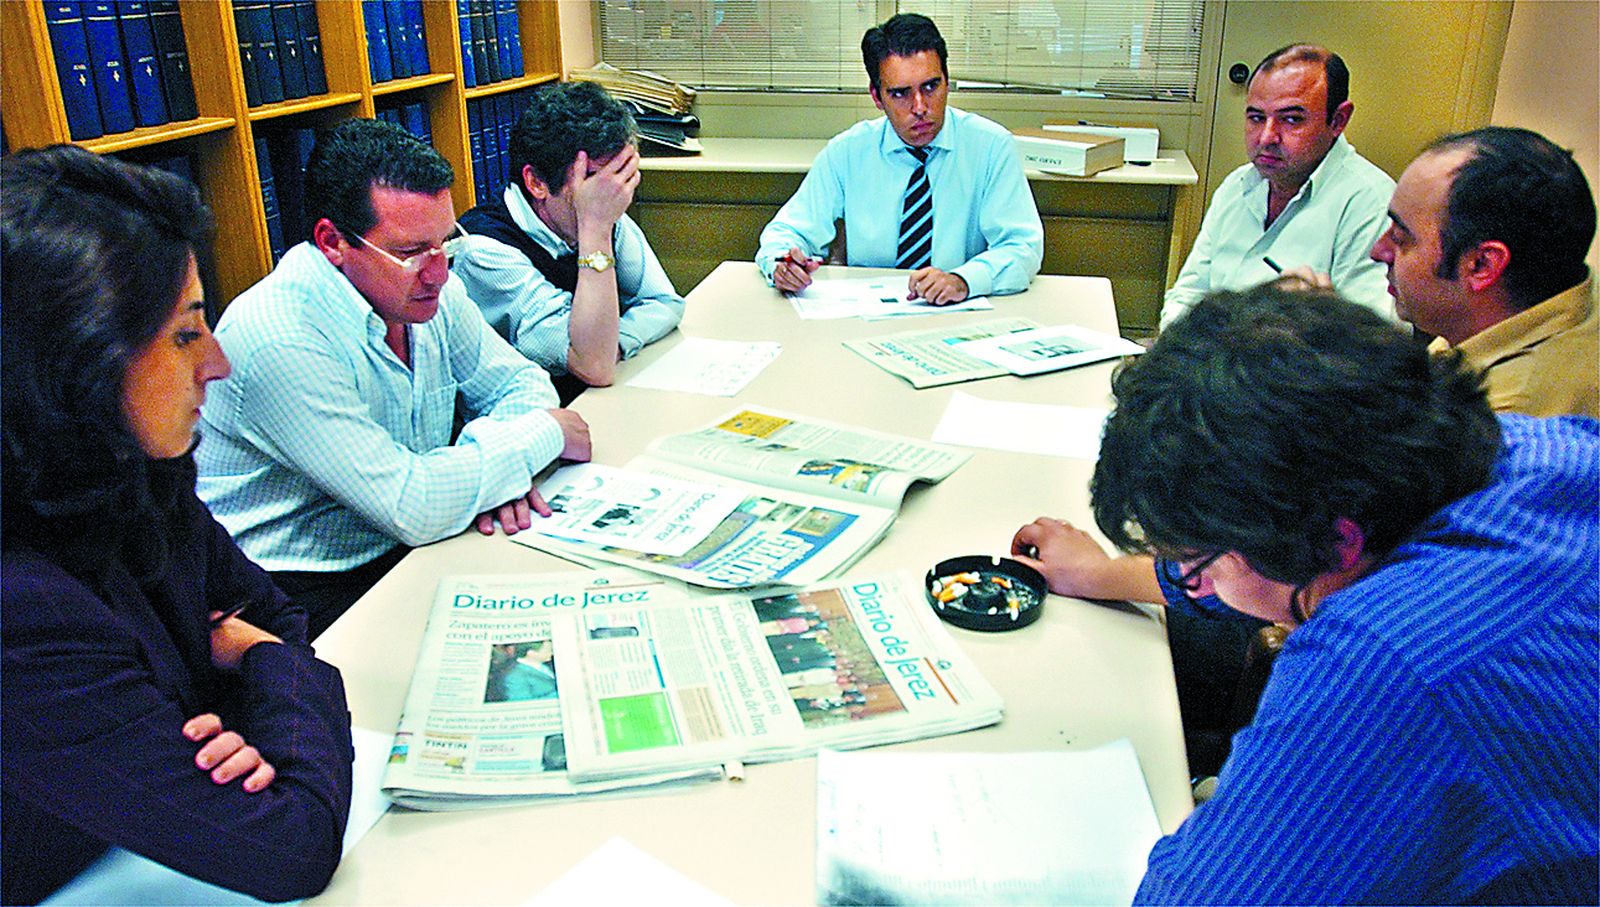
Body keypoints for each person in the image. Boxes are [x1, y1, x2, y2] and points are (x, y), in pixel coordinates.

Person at [1049, 284, 1596, 902]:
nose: (1193, 582)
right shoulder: (1539, 448)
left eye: (1198, 560)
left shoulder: (1384, 663)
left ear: (1338, 544)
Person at [1, 146, 354, 904]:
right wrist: (253, 664)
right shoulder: (18, 608)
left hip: (132, 855)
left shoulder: (132, 470)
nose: (219, 362)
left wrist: (240, 667)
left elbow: (276, 615)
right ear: (78, 365)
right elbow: (290, 849)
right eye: (187, 333)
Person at [196, 118, 592, 638]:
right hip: (297, 586)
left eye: (445, 243)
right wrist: (542, 436)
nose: (439, 273)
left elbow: (522, 384)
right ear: (333, 242)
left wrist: (493, 472)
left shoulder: (427, 288)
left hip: (402, 535)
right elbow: (411, 505)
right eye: (410, 253)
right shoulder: (280, 336)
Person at [755, 12, 1042, 305]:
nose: (920, 107)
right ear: (877, 97)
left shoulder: (991, 147)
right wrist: (783, 263)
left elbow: (1022, 248)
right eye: (901, 94)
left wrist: (964, 280)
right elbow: (786, 232)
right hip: (866, 314)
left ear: (947, 81)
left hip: (960, 311)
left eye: (931, 86)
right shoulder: (847, 152)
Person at [453, 82, 685, 403]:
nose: (614, 193)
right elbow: (593, 365)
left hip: (597, 404)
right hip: (532, 422)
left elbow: (665, 303)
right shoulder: (484, 251)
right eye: (595, 179)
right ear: (536, 182)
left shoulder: (596, 214)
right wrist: (596, 231)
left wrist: (615, 342)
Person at [1160, 44, 1394, 328]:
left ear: (1338, 120)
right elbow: (1188, 295)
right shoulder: (1238, 185)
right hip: (1209, 361)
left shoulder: (1370, 203)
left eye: (1292, 119)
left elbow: (1371, 344)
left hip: (1290, 370)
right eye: (1256, 118)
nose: (1267, 137)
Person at [1372, 125, 1598, 417]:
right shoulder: (1565, 294)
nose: (1378, 251)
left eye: (1401, 239)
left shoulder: (1497, 422)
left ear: (1482, 265)